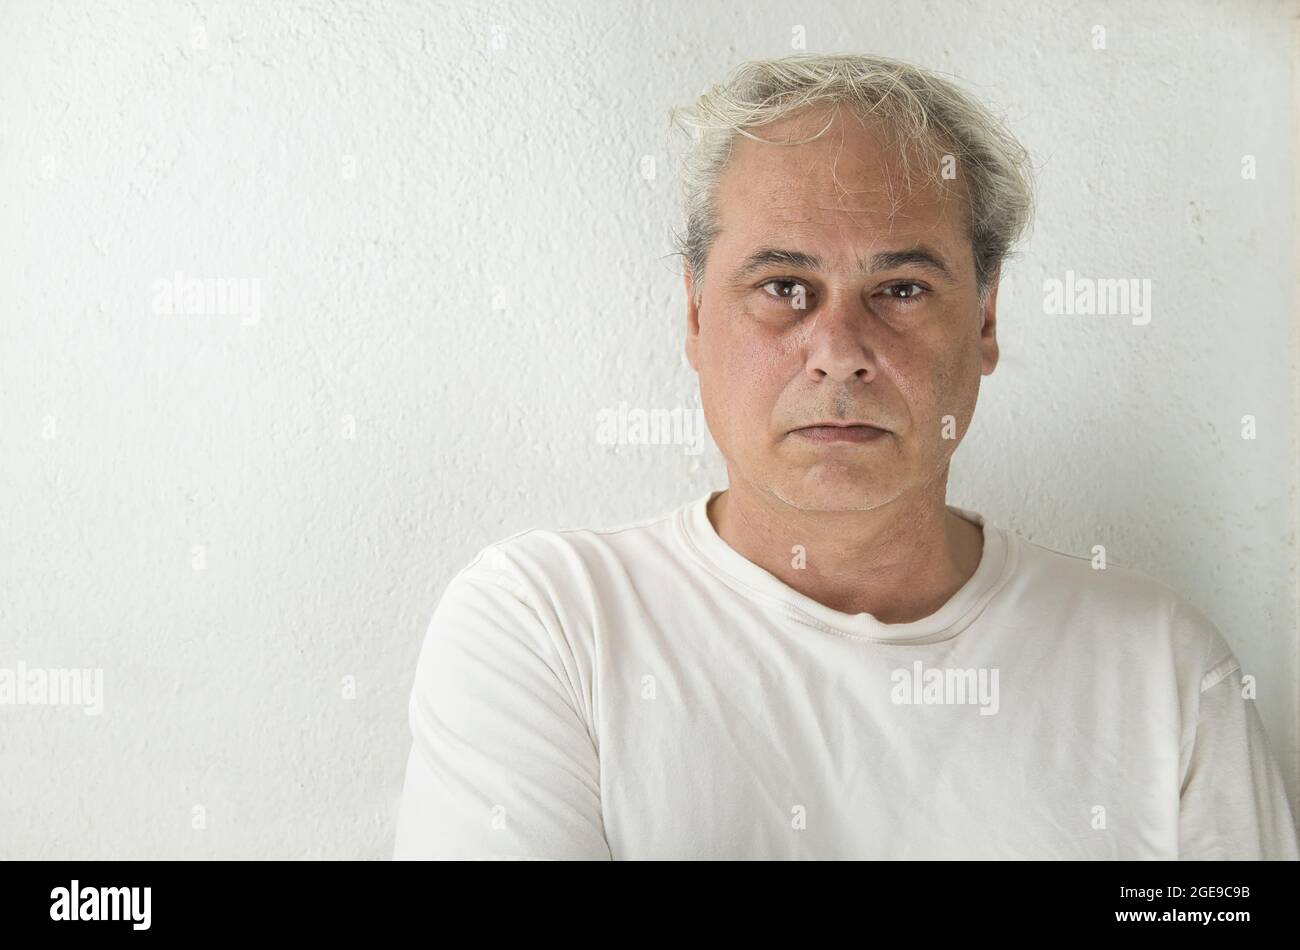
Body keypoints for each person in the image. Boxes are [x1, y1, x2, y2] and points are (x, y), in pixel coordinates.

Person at [393, 53, 1299, 859]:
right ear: (697, 315)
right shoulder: (551, 626)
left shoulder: (1163, 671)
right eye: (784, 287)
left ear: (985, 321)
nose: (840, 348)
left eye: (901, 288)